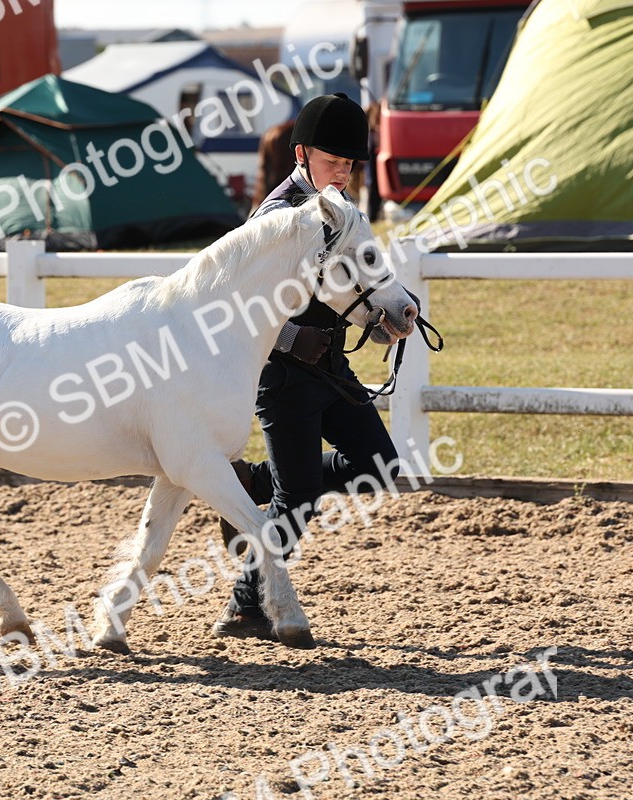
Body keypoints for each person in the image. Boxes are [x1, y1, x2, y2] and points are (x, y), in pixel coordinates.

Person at [213, 92, 409, 643]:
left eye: (348, 165)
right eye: (332, 162)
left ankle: (254, 480)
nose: (342, 173)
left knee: (380, 463)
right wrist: (303, 342)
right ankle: (246, 606)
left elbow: (362, 279)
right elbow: (243, 304)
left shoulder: (343, 211)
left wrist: (388, 311)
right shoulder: (277, 218)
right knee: (297, 497)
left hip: (333, 368)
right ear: (301, 155)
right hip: (283, 376)